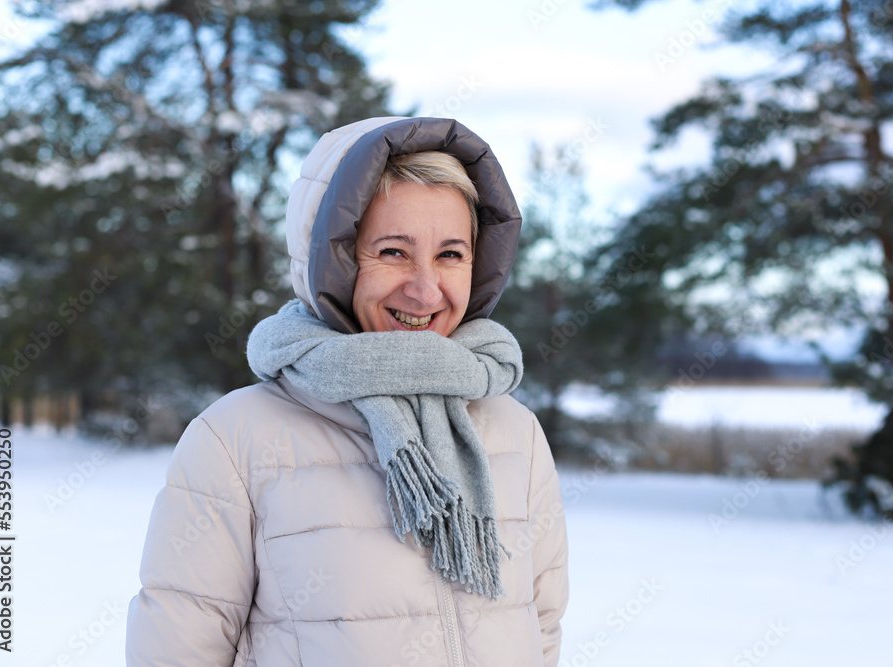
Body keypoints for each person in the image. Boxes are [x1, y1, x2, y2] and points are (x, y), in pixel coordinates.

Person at [125, 116, 569, 666]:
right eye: (393, 252)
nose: (425, 289)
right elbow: (177, 648)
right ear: (331, 260)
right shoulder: (235, 438)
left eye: (451, 254)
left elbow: (541, 626)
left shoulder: (515, 431)